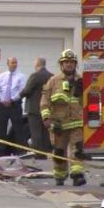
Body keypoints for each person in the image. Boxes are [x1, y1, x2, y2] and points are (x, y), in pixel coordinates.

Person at [40, 49, 86, 186]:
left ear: (75, 64)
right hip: (58, 125)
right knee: (59, 152)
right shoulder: (53, 82)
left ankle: (77, 175)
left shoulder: (81, 81)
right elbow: (44, 101)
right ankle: (60, 176)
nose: (69, 65)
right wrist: (47, 119)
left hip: (77, 122)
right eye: (66, 62)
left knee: (77, 150)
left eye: (71, 62)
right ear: (61, 64)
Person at [20, 57, 53, 159]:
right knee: (45, 133)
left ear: (38, 64)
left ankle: (38, 153)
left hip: (34, 109)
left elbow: (27, 90)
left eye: (35, 64)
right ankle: (45, 152)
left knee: (36, 133)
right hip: (47, 109)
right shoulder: (51, 76)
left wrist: (19, 95)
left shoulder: (35, 76)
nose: (34, 66)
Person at [0, 57, 27, 156]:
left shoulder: (21, 76)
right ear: (8, 64)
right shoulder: (2, 76)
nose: (14, 64)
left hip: (15, 105)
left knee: (18, 129)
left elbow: (22, 91)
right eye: (12, 62)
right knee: (1, 129)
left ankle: (20, 151)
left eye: (16, 62)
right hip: (2, 105)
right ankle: (0, 152)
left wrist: (11, 99)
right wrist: (2, 100)